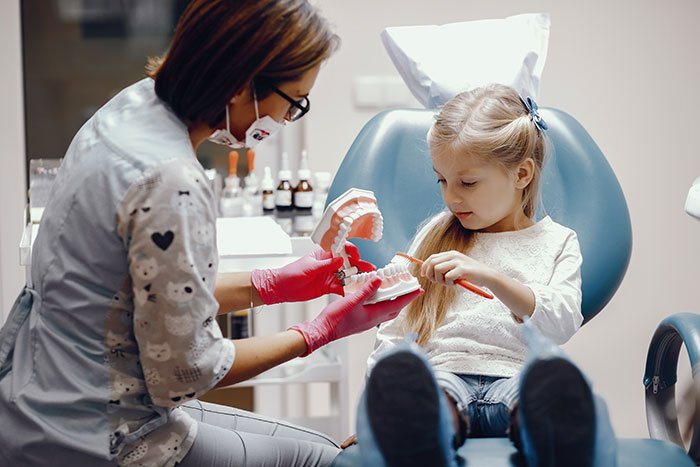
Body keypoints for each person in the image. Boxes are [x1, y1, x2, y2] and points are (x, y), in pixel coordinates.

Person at [0, 1, 421, 466]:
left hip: (37, 398)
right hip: (101, 436)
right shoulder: (171, 181)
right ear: (244, 85)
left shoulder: (129, 108)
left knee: (321, 444)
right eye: (293, 102)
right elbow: (186, 372)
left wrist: (271, 286)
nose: (286, 119)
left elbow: (145, 298)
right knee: (331, 459)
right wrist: (321, 330)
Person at [341, 84, 616, 467]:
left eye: (467, 182)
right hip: (444, 376)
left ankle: (557, 434)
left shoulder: (557, 242)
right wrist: (376, 414)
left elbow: (562, 324)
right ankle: (416, 434)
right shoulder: (435, 234)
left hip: (515, 377)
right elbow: (397, 330)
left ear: (521, 173)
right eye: (442, 180)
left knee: (544, 397)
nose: (451, 197)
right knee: (421, 397)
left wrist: (490, 276)